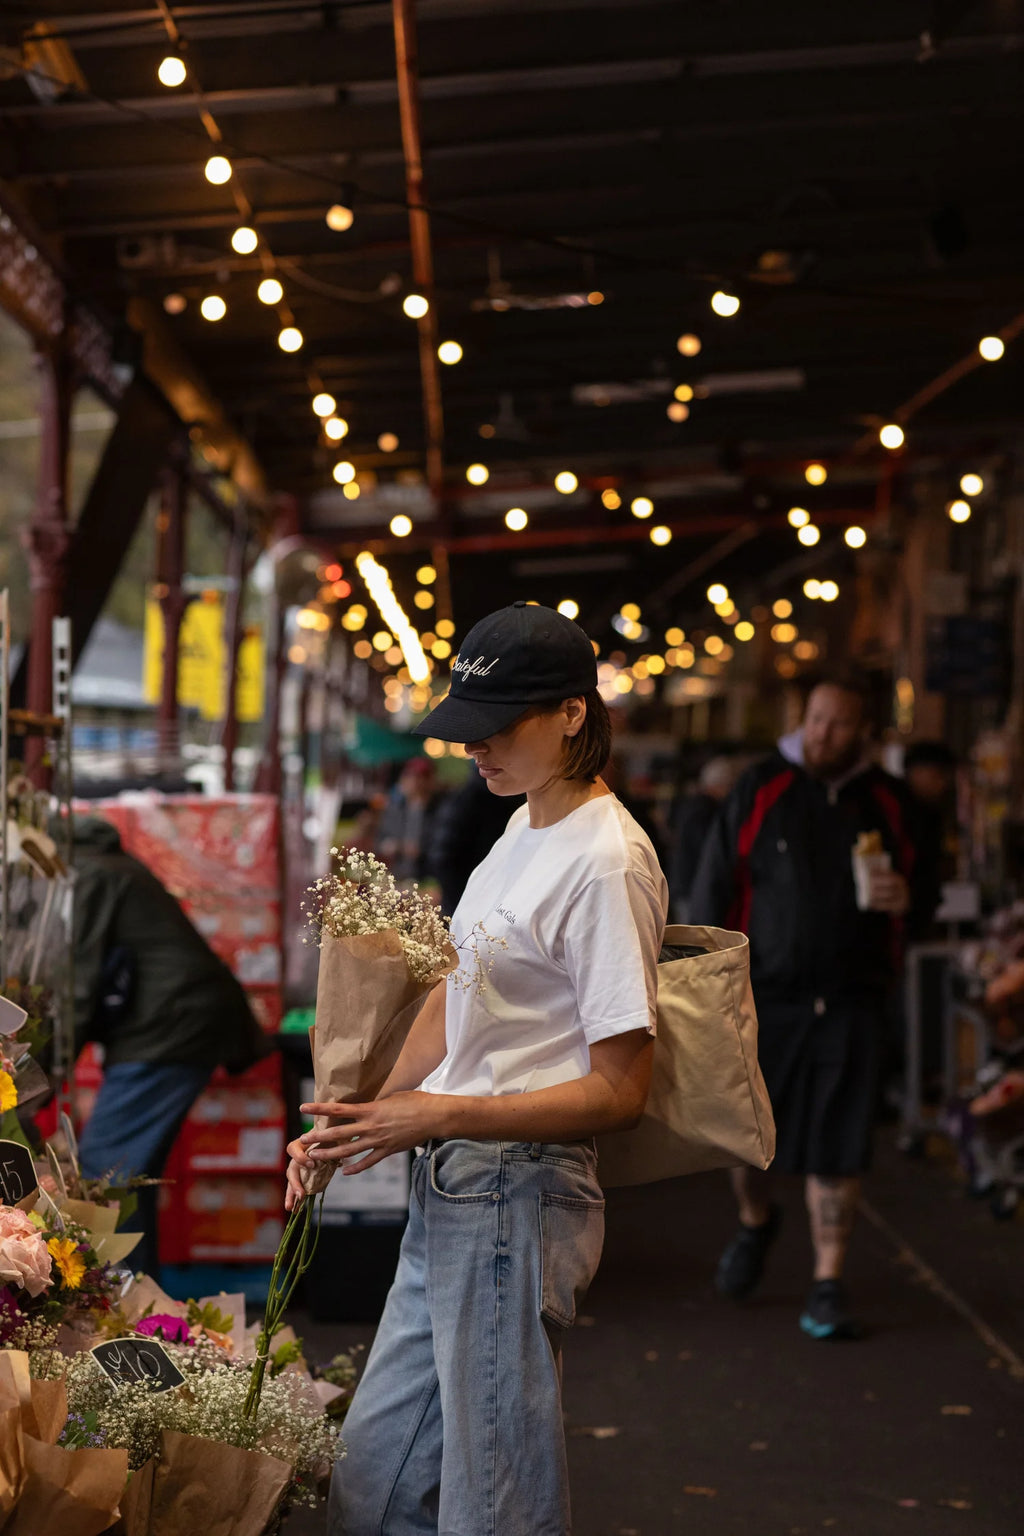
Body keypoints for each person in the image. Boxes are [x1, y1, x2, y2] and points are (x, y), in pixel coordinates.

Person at [287, 601, 667, 1536]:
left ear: (573, 713)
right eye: (467, 727)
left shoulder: (607, 862)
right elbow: (455, 1004)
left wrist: (436, 1114)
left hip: (517, 1194)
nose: (474, 748)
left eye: (496, 726)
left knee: (493, 1503)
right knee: (371, 1483)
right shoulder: (521, 829)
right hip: (456, 1188)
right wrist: (356, 1117)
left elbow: (621, 1092)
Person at [690, 673, 935, 1340]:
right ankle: (756, 1222)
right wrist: (705, 985)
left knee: (840, 1145)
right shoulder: (761, 787)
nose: (824, 734)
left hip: (854, 999)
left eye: (840, 723)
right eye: (817, 719)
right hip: (765, 998)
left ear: (866, 732)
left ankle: (828, 1283)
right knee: (747, 1142)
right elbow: (713, 888)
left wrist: (908, 902)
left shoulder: (890, 802)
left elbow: (927, 891)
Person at [73, 816, 267, 1273]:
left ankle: (118, 1299)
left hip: (169, 1025)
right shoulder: (99, 864)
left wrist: (31, 1073)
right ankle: (135, 1296)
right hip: (174, 1020)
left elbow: (74, 982)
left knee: (107, 1176)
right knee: (126, 1178)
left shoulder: (87, 872)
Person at [426, 760, 524, 916]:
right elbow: (445, 855)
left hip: (495, 899)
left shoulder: (516, 800)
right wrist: (462, 905)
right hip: (472, 901)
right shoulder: (470, 798)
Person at [667, 756, 743, 921]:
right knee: (693, 933)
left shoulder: (692, 805)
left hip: (683, 885)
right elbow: (708, 853)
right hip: (692, 887)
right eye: (729, 785)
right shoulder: (705, 811)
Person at [375, 757, 446, 884]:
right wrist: (388, 846)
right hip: (398, 876)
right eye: (410, 776)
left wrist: (419, 850)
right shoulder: (395, 809)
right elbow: (380, 839)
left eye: (420, 777)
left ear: (431, 780)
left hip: (429, 878)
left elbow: (442, 845)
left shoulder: (442, 810)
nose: (415, 782)